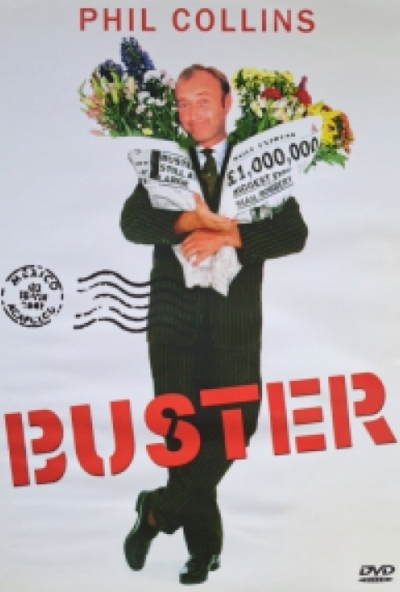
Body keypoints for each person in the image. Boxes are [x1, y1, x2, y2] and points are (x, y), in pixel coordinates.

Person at [120, 64, 308, 585]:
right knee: (184, 438)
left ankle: (157, 511)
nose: (192, 114)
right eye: (182, 104)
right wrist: (190, 221)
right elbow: (133, 223)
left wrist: (229, 235)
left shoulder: (258, 163)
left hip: (234, 324)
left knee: (234, 428)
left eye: (202, 100)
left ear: (227, 103)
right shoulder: (166, 163)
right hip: (172, 322)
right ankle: (203, 552)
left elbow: (293, 232)